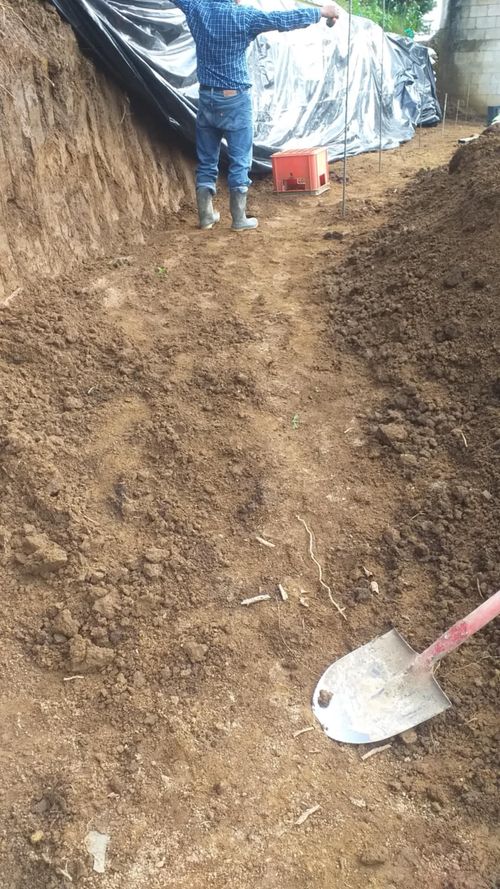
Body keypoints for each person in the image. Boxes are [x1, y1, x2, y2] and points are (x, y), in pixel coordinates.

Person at [173, 0, 340, 230]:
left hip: (206, 98)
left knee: (207, 160)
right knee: (240, 160)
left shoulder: (196, 7)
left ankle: (206, 216)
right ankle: (239, 218)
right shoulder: (244, 16)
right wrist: (321, 12)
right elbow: (282, 19)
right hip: (235, 100)